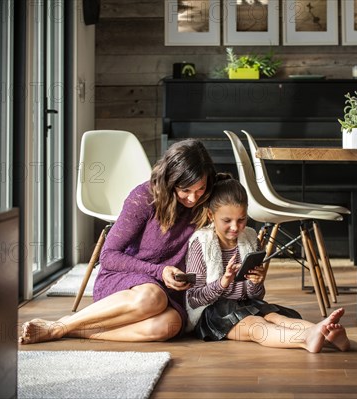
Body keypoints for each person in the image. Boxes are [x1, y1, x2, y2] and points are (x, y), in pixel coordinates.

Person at [19, 139, 217, 344]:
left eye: (200, 189)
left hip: (169, 289)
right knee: (152, 298)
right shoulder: (144, 197)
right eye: (185, 190)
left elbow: (234, 204)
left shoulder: (208, 199)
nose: (193, 198)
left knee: (170, 325)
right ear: (170, 180)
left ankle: (73, 329)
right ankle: (58, 327)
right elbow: (108, 256)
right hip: (125, 280)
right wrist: (160, 271)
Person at [185, 174, 350, 353]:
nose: (235, 227)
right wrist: (222, 283)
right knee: (256, 324)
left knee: (277, 317)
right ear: (211, 215)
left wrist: (256, 283)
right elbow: (193, 299)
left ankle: (327, 336)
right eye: (227, 221)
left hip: (245, 303)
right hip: (212, 313)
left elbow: (256, 295)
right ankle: (307, 339)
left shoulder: (249, 238)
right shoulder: (201, 243)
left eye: (241, 220)